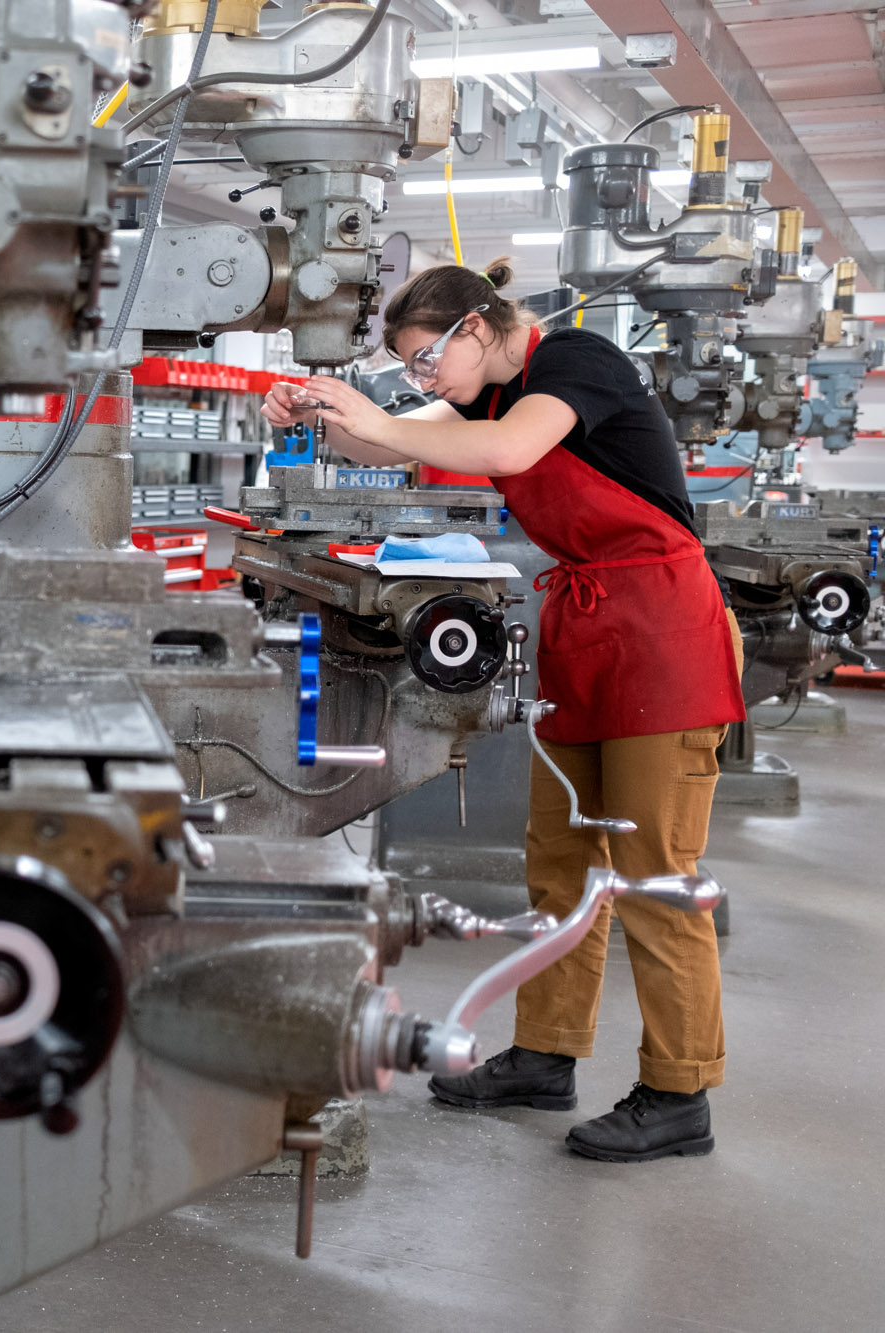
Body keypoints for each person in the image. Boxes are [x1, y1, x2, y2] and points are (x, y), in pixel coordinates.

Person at [261, 258, 745, 1163]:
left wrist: (377, 413)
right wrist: (321, 411)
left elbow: (514, 452)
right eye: (411, 366)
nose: (423, 380)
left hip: (663, 632)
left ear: (475, 330)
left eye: (424, 360)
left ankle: (680, 1090)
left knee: (652, 874)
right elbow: (396, 442)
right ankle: (546, 1052)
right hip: (592, 632)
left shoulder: (573, 366)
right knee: (561, 865)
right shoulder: (489, 393)